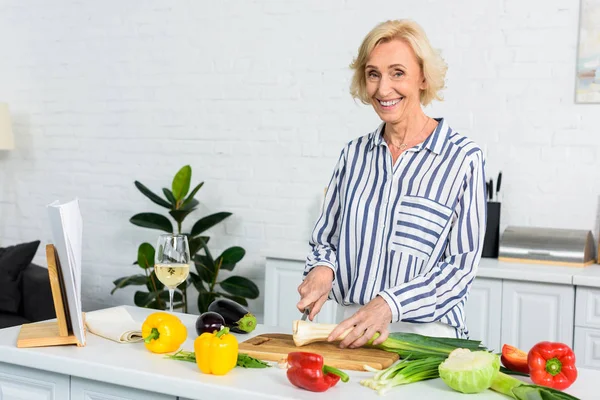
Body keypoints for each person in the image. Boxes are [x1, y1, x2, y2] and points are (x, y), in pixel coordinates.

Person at [296, 19, 487, 349]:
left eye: (397, 73)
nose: (383, 89)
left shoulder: (462, 159)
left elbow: (458, 271)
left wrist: (388, 305)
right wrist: (323, 269)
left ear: (423, 77)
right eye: (373, 74)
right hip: (351, 331)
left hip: (425, 341)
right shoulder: (354, 154)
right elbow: (325, 239)